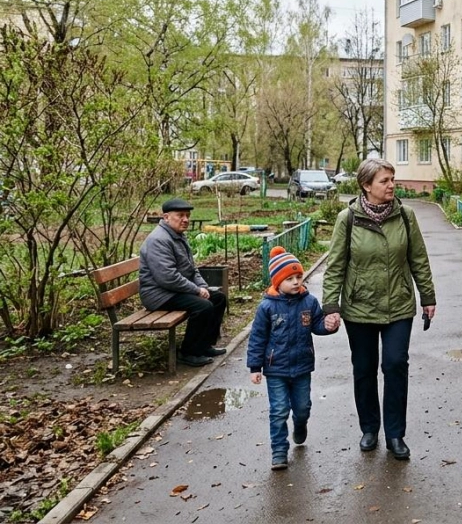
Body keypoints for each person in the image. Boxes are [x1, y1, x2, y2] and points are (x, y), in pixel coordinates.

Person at [322, 158, 436, 460]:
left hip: (398, 305)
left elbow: (419, 260)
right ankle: (370, 428)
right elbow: (334, 266)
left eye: (392, 179)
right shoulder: (347, 219)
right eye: (384, 180)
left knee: (396, 365)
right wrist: (330, 306)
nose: (391, 185)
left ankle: (396, 434)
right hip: (359, 307)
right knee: (364, 369)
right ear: (366, 185)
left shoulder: (406, 216)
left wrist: (428, 297)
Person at [247, 246, 341, 470]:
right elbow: (258, 337)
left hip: (302, 367)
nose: (296, 282)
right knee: (279, 411)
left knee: (302, 407)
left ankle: (300, 425)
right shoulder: (267, 307)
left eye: (298, 276)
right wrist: (255, 367)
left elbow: (317, 325)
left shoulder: (309, 302)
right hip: (275, 369)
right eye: (289, 278)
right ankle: (279, 451)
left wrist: (329, 326)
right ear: (277, 282)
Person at [138, 198, 227, 367]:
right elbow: (167, 277)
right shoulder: (159, 240)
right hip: (158, 294)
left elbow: (191, 269)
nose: (185, 219)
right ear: (166, 217)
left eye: (187, 215)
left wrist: (203, 286)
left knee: (218, 298)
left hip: (171, 290)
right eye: (180, 215)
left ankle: (204, 345)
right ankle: (188, 352)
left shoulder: (177, 236)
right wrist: (196, 290)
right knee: (203, 306)